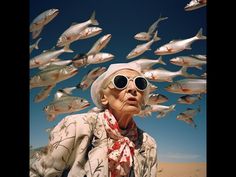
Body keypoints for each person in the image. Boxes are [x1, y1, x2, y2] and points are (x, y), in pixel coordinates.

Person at [30, 62, 158, 177]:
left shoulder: (148, 144)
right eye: (121, 82)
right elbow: (40, 172)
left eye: (140, 83)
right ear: (103, 97)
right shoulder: (76, 126)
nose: (133, 89)